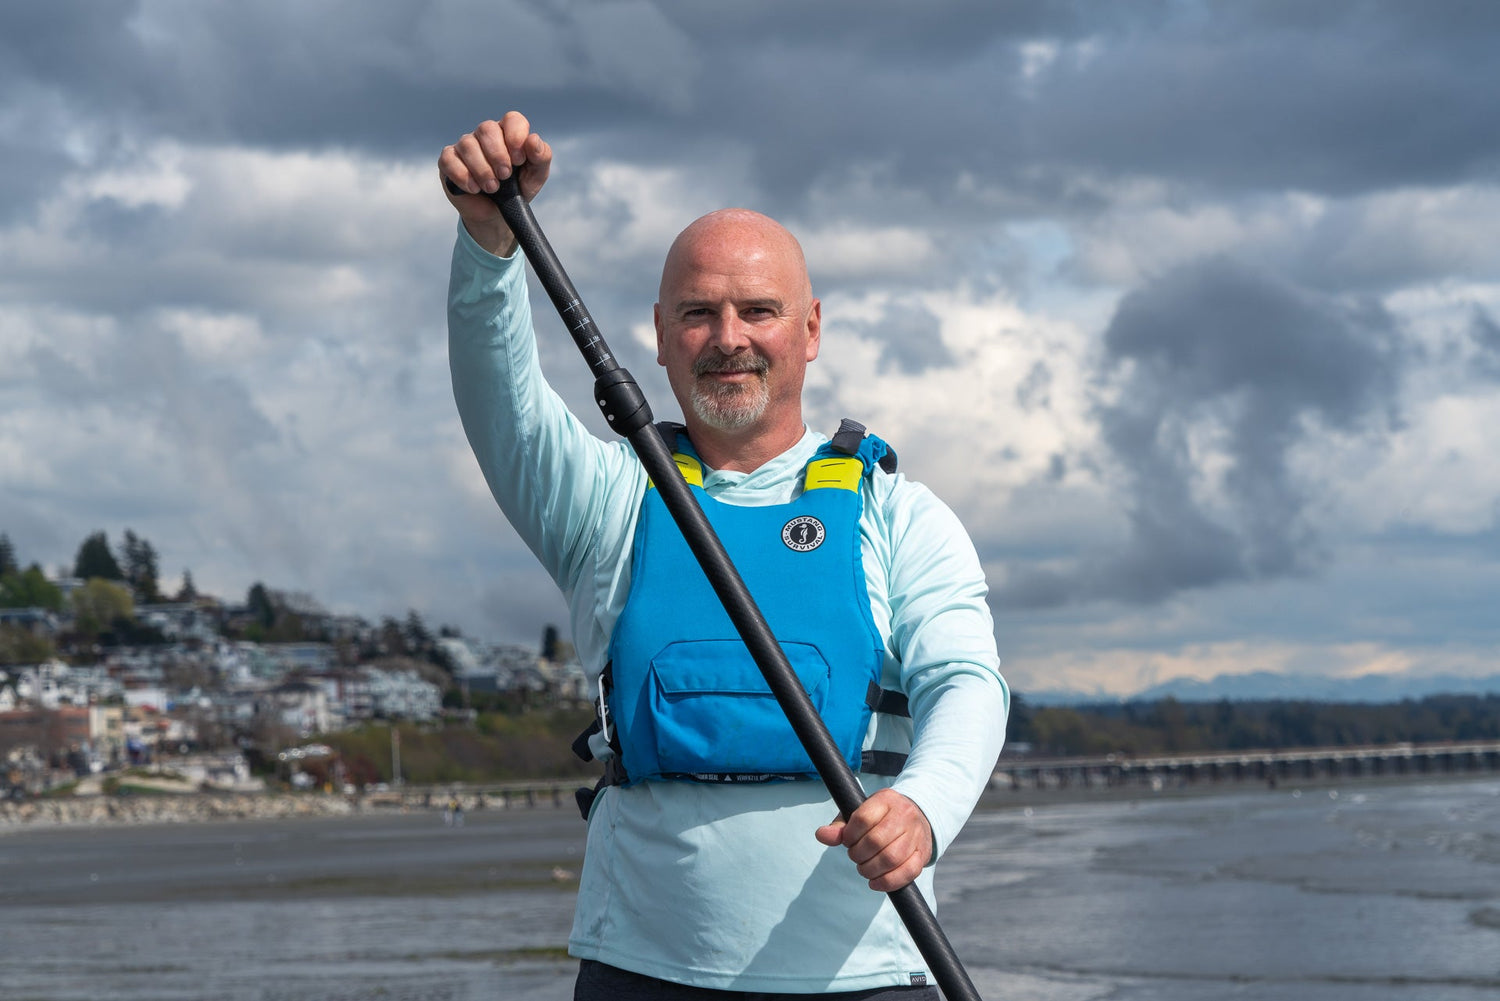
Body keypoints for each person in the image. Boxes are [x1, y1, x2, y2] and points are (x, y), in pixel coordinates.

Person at [440, 112, 1008, 1000]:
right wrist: (489, 247)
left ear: (810, 329)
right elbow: (499, 403)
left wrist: (923, 808)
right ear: (662, 335)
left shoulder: (900, 515)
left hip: (862, 970)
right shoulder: (609, 503)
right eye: (699, 314)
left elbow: (967, 684)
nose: (729, 336)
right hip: (642, 965)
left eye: (760, 311)